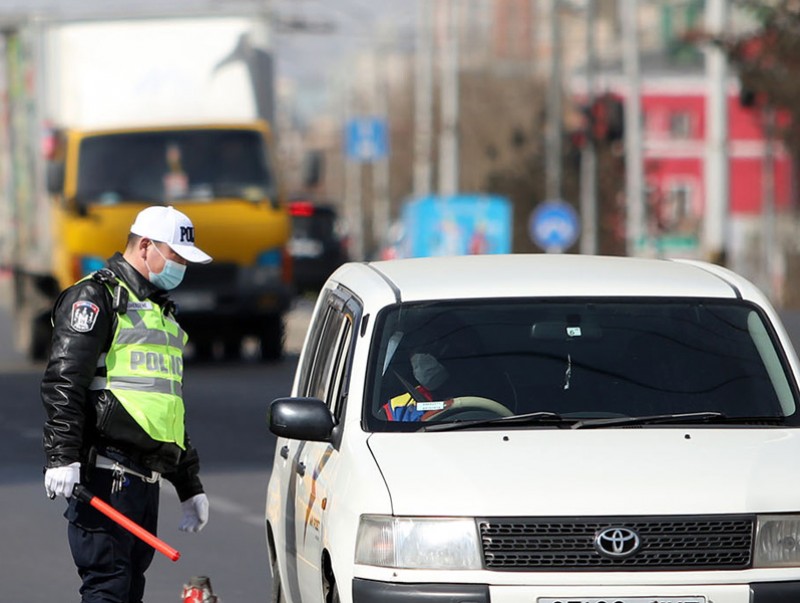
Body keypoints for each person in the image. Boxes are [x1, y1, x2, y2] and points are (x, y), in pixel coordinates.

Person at [41, 205, 212, 603]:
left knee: (129, 590)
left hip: (142, 484)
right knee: (108, 590)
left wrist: (189, 484)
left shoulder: (159, 312)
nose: (182, 266)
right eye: (176, 256)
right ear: (146, 246)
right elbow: (64, 380)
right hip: (106, 478)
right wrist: (61, 455)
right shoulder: (96, 297)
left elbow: (165, 410)